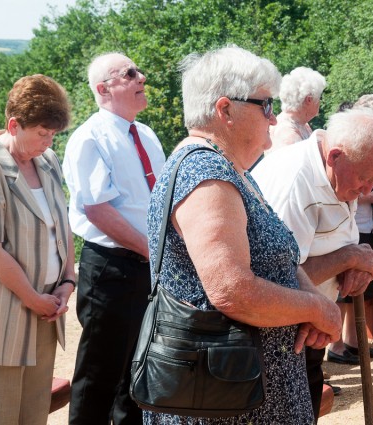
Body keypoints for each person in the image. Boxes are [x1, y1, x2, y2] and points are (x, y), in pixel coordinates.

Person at [143, 45, 341, 424]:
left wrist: (312, 303)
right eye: (265, 105)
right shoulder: (206, 175)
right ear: (225, 110)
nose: (273, 118)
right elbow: (232, 291)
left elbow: (279, 257)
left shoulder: (230, 170)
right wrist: (316, 309)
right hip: (226, 399)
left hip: (246, 389)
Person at [253, 108, 373, 420]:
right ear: (334, 156)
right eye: (365, 178)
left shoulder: (339, 171)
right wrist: (349, 257)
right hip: (281, 339)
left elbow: (334, 241)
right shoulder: (294, 183)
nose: (368, 190)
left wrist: (355, 264)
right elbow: (277, 276)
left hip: (309, 328)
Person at [63, 52, 166, 424]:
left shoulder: (146, 134)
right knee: (98, 379)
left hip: (147, 269)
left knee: (136, 379)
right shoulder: (89, 138)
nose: (142, 77)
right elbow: (98, 211)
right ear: (103, 89)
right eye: (130, 73)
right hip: (111, 271)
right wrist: (152, 250)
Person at [0, 74, 75, 425]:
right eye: (42, 133)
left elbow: (62, 225)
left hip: (47, 309)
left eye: (53, 135)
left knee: (35, 414)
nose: (48, 142)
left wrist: (67, 283)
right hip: (5, 312)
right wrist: (33, 299)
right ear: (13, 125)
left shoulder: (47, 160)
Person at [328, 94, 373, 361]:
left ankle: (354, 341)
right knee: (341, 287)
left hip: (365, 224)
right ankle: (336, 345)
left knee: (359, 286)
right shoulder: (351, 143)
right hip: (349, 225)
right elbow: (343, 190)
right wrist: (370, 196)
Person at [268, 66, 326, 152]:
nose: (320, 102)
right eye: (319, 97)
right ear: (309, 100)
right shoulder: (287, 132)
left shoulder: (302, 124)